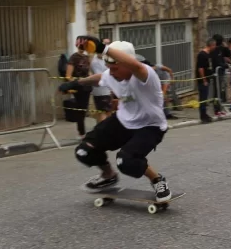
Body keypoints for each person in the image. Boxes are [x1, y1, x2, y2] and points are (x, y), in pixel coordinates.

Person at [58, 37, 171, 202]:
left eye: (115, 68)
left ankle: (157, 180)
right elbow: (99, 77)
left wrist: (103, 48)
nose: (111, 72)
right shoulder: (111, 73)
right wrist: (76, 83)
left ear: (127, 64)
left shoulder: (145, 75)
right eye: (109, 68)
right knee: (84, 151)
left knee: (126, 161)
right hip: (123, 121)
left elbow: (136, 65)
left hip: (150, 126)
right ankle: (108, 175)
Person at [66, 38, 92, 139]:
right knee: (80, 110)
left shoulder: (86, 57)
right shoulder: (73, 58)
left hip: (87, 87)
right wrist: (74, 83)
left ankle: (82, 132)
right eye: (80, 46)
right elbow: (68, 75)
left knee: (84, 110)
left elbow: (89, 72)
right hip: (78, 87)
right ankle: (81, 132)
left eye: (84, 47)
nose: (82, 48)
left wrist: (92, 80)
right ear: (77, 46)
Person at [90, 38, 113, 124]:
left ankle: (105, 130)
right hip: (100, 90)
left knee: (108, 111)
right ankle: (103, 130)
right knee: (102, 112)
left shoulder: (105, 59)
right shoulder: (95, 62)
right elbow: (100, 76)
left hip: (107, 90)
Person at [196, 38, 216, 123]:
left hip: (208, 78)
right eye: (214, 45)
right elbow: (200, 69)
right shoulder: (202, 55)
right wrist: (204, 80)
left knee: (205, 97)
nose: (214, 47)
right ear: (211, 45)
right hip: (203, 80)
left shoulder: (208, 54)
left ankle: (205, 114)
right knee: (203, 98)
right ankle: (202, 115)